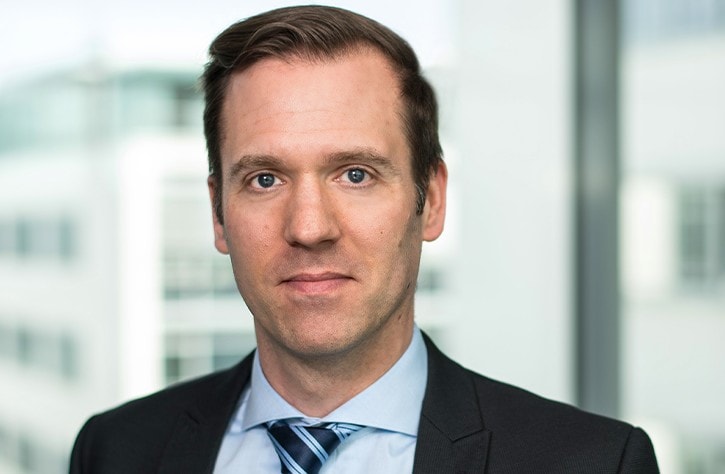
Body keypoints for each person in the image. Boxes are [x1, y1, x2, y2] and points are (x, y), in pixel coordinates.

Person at [70, 5, 659, 473]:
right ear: (218, 214)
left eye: (355, 175)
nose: (309, 228)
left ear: (432, 200)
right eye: (265, 179)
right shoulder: (115, 450)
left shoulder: (592, 462)